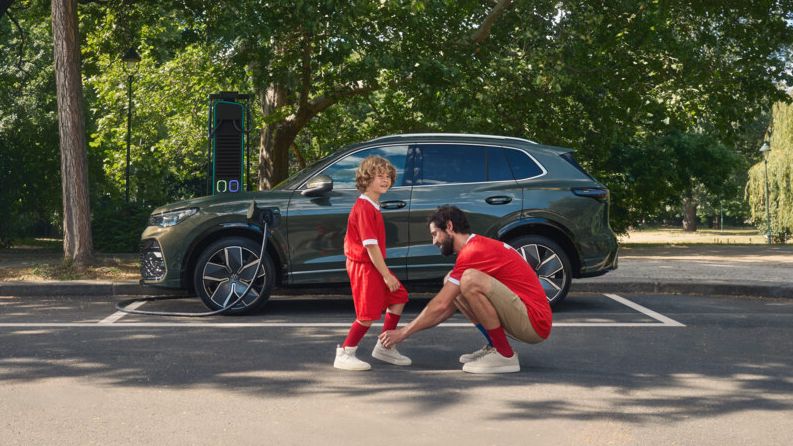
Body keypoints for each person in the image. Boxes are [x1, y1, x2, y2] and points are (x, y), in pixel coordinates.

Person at [379, 205, 552, 374]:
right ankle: (494, 345)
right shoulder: (476, 246)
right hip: (524, 315)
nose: (434, 241)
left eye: (435, 234)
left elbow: (440, 304)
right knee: (453, 281)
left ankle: (504, 355)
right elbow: (445, 308)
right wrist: (407, 331)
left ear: (449, 226)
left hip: (534, 323)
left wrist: (403, 332)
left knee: (469, 279)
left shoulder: (474, 251)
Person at [334, 155, 412, 371]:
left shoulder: (372, 205)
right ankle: (345, 352)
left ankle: (385, 346)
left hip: (372, 264)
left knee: (399, 296)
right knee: (367, 315)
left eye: (388, 176)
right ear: (366, 179)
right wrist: (386, 275)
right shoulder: (364, 208)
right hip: (364, 266)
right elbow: (370, 246)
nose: (385, 180)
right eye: (380, 176)